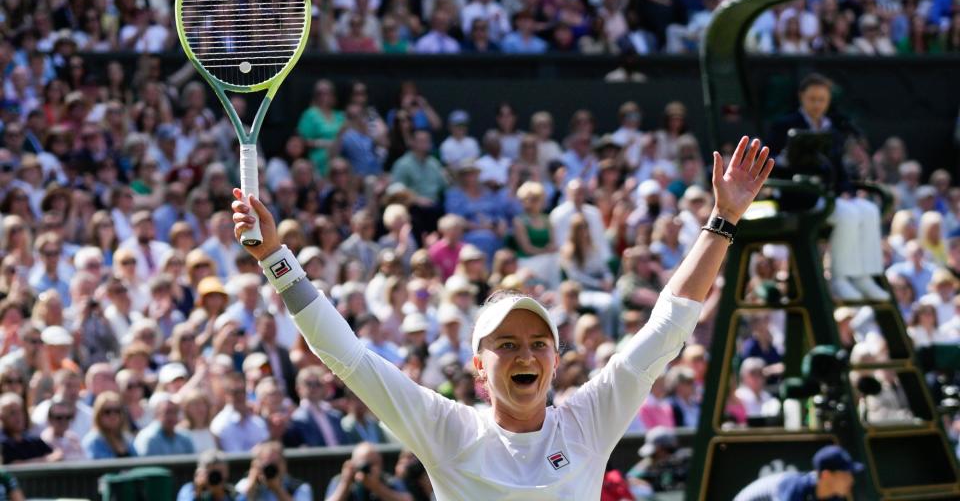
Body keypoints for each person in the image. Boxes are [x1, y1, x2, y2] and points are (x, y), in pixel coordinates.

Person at [231, 136, 773, 498]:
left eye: (538, 343)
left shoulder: (589, 420)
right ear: (477, 367)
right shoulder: (447, 429)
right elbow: (346, 357)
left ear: (556, 361)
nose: (525, 353)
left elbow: (669, 324)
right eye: (506, 344)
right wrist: (278, 259)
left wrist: (723, 220)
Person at [768, 74, 889, 302]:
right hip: (798, 198)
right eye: (812, 98)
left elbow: (837, 167)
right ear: (801, 97)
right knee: (848, 213)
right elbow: (769, 161)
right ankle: (840, 278)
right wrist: (786, 158)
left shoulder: (833, 127)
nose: (817, 104)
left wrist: (847, 190)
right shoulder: (784, 125)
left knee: (868, 210)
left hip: (828, 195)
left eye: (822, 99)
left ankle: (864, 277)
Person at [733, 444, 862, 501]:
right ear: (826, 475)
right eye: (845, 475)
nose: (851, 480)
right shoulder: (794, 488)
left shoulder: (833, 496)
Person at [325, 441, 412, 501]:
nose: (368, 469)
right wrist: (345, 484)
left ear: (381, 464)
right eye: (364, 464)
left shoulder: (387, 481)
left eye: (373, 464)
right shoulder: (340, 480)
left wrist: (377, 488)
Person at [235, 441, 312, 501]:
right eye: (267, 464)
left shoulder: (300, 488)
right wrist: (252, 485)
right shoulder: (245, 484)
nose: (271, 469)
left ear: (284, 464)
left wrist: (278, 490)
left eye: (275, 463)